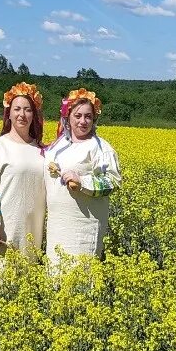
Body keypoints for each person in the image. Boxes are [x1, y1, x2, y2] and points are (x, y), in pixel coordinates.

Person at [44, 88, 122, 266]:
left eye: (88, 116)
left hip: (83, 227)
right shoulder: (59, 144)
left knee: (80, 276)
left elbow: (113, 181)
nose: (82, 121)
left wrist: (83, 181)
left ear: (94, 119)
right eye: (77, 116)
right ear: (68, 117)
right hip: (57, 226)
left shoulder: (100, 147)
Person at [0, 82, 47, 259]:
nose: (22, 115)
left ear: (34, 114)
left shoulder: (42, 151)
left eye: (27, 110)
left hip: (32, 229)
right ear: (9, 113)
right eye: (17, 109)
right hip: (2, 230)